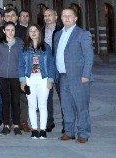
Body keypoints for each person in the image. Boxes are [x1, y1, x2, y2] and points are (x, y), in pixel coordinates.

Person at [55, 8, 93, 143]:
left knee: (81, 106)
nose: (66, 18)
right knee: (66, 107)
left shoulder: (83, 34)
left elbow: (89, 56)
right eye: (64, 16)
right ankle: (69, 132)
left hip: (79, 77)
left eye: (69, 16)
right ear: (61, 18)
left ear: (75, 18)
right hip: (63, 77)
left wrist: (86, 75)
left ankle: (83, 134)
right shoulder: (58, 34)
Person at [19, 24, 55, 140]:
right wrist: (22, 81)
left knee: (43, 105)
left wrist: (50, 79)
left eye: (35, 31)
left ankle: (43, 130)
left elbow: (50, 64)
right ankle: (34, 129)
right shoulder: (24, 47)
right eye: (31, 31)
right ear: (28, 34)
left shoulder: (46, 47)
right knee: (32, 105)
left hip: (43, 79)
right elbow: (21, 65)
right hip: (29, 79)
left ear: (39, 32)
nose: (33, 33)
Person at [0, 22, 24, 136]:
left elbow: (22, 61)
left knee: (16, 102)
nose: (10, 32)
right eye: (8, 30)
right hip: (2, 76)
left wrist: (23, 78)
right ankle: (6, 125)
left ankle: (16, 125)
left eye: (13, 30)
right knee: (5, 102)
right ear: (4, 31)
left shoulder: (20, 43)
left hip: (15, 76)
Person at [41, 8, 62, 133]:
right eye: (45, 16)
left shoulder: (61, 30)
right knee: (46, 97)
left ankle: (67, 123)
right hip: (46, 68)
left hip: (59, 68)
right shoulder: (41, 31)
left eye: (50, 15)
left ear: (56, 16)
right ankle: (49, 122)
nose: (47, 17)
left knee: (63, 97)